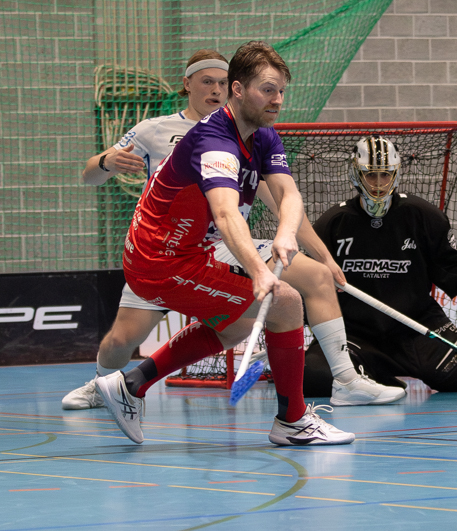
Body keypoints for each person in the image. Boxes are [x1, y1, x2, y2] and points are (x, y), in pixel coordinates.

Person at [63, 51, 402, 414]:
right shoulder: (160, 130)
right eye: (207, 81)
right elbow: (90, 175)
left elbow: (284, 200)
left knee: (307, 282)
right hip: (165, 249)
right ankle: (104, 384)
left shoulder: (254, 134)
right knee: (121, 341)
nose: (216, 89)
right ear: (187, 85)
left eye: (221, 82)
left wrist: (321, 255)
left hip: (218, 244)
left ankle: (345, 381)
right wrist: (106, 162)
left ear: (233, 88)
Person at [303, 135, 457, 395]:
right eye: (370, 175)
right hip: (354, 335)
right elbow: (310, 283)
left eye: (385, 175)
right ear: (357, 174)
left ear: (395, 174)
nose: (378, 183)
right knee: (313, 377)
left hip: (417, 329)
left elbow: (448, 267)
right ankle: (383, 379)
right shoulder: (333, 222)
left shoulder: (423, 215)